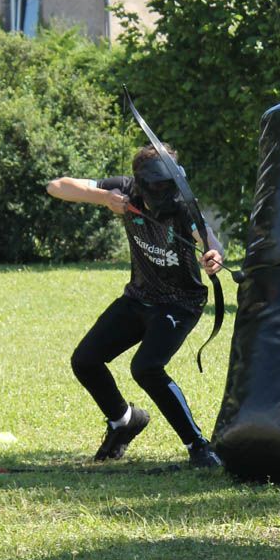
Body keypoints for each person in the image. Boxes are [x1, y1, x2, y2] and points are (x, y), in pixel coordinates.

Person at [46, 144, 224, 468]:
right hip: (138, 297)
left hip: (179, 303)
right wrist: (105, 198)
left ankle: (198, 445)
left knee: (146, 368)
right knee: (85, 360)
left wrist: (213, 253)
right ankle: (124, 421)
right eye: (156, 186)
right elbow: (56, 186)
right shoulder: (124, 189)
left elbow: (205, 233)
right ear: (140, 182)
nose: (163, 192)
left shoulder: (183, 204)